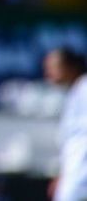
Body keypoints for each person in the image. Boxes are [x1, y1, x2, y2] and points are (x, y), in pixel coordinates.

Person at [44, 47, 87, 201]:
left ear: (71, 66)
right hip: (74, 176)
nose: (48, 74)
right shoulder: (74, 92)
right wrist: (63, 175)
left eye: (53, 68)